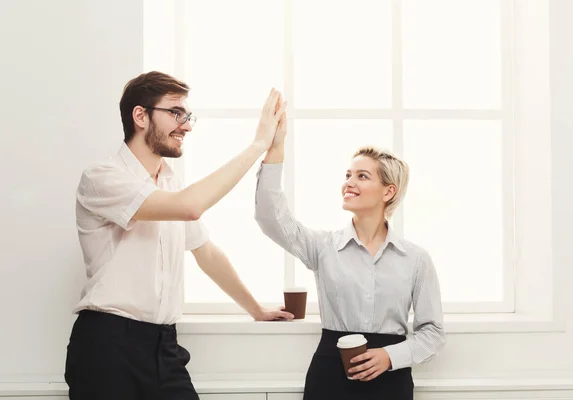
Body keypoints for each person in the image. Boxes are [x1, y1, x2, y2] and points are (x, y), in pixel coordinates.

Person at [65, 71, 293, 400]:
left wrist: (256, 310)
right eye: (175, 113)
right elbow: (190, 207)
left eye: (187, 116)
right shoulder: (102, 177)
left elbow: (206, 252)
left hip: (163, 347)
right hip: (108, 345)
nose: (185, 125)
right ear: (140, 116)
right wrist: (258, 144)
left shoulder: (170, 182)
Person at [254, 107, 446, 399]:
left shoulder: (416, 259)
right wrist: (275, 147)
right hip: (330, 378)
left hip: (390, 382)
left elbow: (432, 333)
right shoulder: (323, 247)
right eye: (348, 174)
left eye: (362, 176)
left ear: (388, 192)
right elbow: (270, 218)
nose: (349, 182)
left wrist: (390, 357)